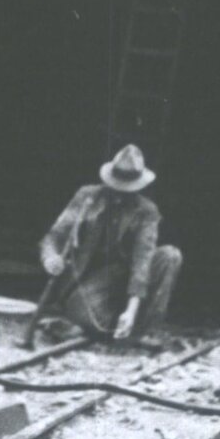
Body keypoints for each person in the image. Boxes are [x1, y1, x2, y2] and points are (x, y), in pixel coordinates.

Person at [25, 145, 183, 348]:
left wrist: (131, 309)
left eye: (128, 189)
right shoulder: (87, 197)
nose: (120, 194)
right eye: (117, 187)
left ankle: (140, 328)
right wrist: (50, 258)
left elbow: (142, 262)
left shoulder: (147, 212)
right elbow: (54, 236)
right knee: (92, 320)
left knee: (171, 255)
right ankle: (100, 327)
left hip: (123, 278)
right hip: (86, 279)